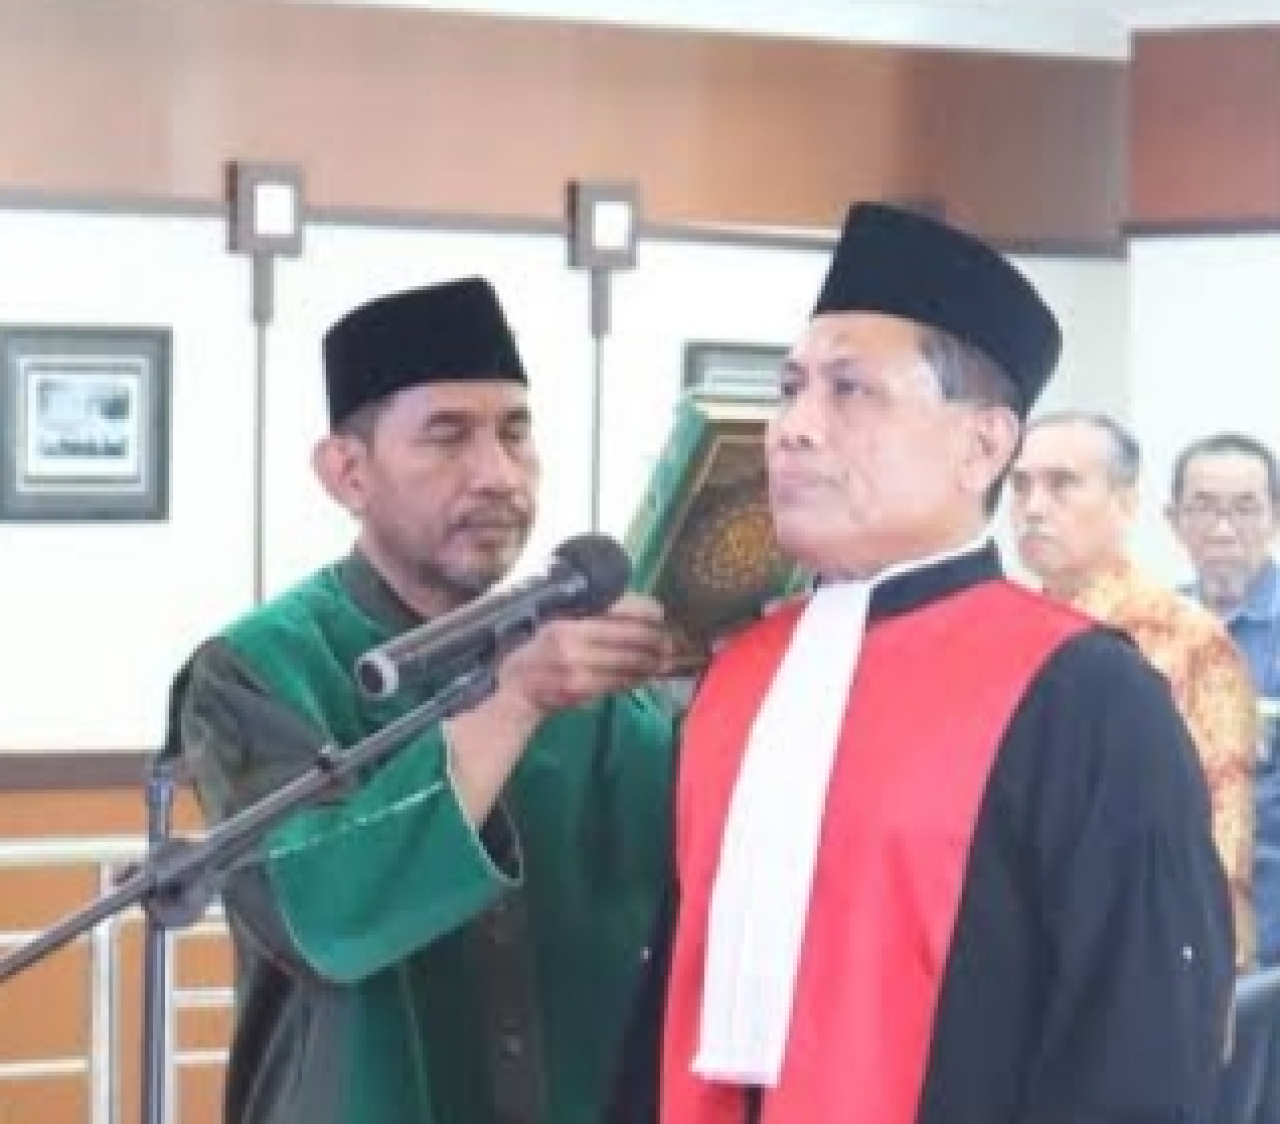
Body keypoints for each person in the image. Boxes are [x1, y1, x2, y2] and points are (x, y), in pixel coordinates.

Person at [631, 203, 1234, 1124]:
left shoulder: (1083, 693)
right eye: (790, 389)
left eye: (849, 390)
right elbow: (667, 1005)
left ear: (982, 445)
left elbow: (1142, 1046)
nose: (792, 428)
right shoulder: (737, 678)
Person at [157, 278, 676, 1124]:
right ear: (347, 472)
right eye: (447, 437)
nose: (497, 475)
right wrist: (511, 704)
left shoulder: (595, 675)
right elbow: (323, 918)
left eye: (515, 433)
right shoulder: (257, 670)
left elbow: (701, 869)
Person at [1010, 410, 1257, 970]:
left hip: (1145, 955)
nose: (1033, 507)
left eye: (1062, 484)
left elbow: (1222, 839)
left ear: (1124, 502)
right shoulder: (1007, 635)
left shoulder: (1186, 639)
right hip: (1025, 948)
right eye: (1021, 486)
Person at [1168, 433, 1280, 1124]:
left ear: (1274, 517)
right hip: (1175, 945)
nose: (1222, 528)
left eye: (1244, 508)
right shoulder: (1152, 632)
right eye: (1204, 507)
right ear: (1174, 520)